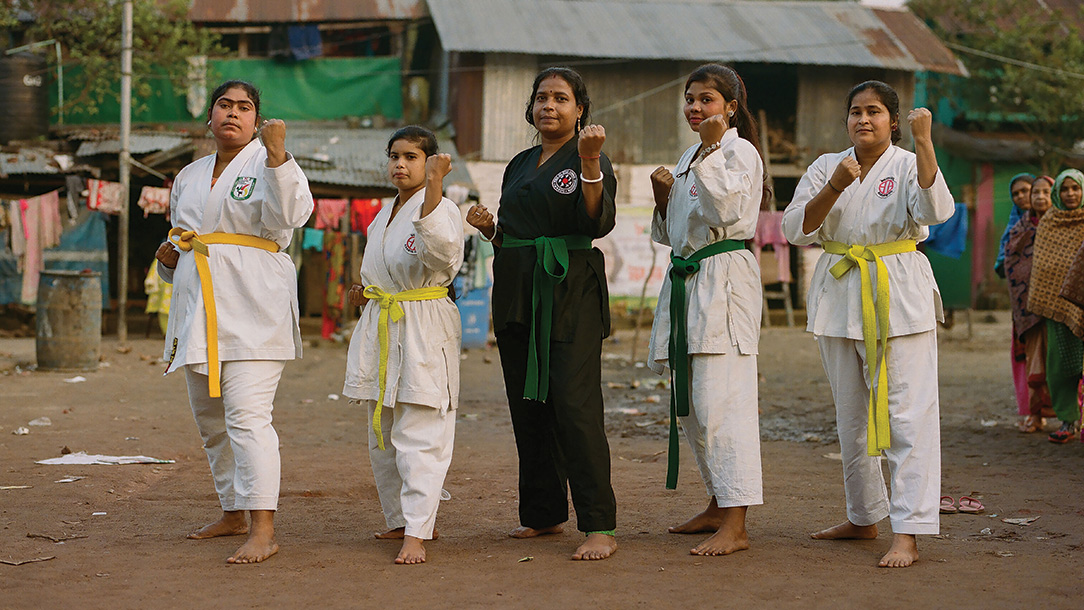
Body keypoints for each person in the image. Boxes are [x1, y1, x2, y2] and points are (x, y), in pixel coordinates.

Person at [781, 80, 954, 568]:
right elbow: (796, 230)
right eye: (855, 111)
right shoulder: (826, 166)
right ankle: (864, 516)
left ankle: (910, 530)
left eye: (874, 111)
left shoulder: (905, 163)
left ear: (893, 121)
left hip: (897, 293)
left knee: (906, 415)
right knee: (852, 418)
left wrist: (924, 142)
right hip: (839, 295)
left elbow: (936, 211)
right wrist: (836, 183)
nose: (863, 120)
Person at [155, 80, 314, 564]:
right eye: (225, 105)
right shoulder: (189, 174)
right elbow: (183, 244)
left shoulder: (269, 163)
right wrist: (167, 259)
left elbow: (295, 214)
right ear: (210, 116)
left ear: (256, 119)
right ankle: (232, 511)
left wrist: (278, 154)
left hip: (254, 309)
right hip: (198, 309)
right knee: (211, 422)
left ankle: (263, 528)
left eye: (245, 107)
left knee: (247, 418)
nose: (233, 113)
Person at [464, 67, 618, 561]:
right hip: (516, 291)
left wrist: (590, 163)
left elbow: (596, 219)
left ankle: (599, 525)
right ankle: (544, 513)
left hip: (570, 289)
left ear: (579, 109)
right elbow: (512, 232)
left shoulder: (588, 157)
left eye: (561, 98)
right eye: (542, 98)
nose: (549, 105)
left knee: (574, 408)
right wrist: (491, 230)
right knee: (528, 405)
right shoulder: (520, 163)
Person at [645, 64, 766, 556]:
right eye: (690, 99)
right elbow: (670, 233)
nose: (695, 108)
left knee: (723, 402)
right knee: (692, 405)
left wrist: (714, 153)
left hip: (725, 279)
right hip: (687, 279)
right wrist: (663, 197)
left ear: (731, 107)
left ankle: (736, 522)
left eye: (707, 100)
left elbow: (727, 213)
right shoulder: (687, 155)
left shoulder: (740, 152)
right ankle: (718, 502)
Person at [342, 126, 464, 565]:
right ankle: (399, 518)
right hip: (385, 324)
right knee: (383, 432)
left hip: (424, 326)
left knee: (420, 429)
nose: (400, 164)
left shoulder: (443, 208)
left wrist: (435, 186)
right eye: (394, 156)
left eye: (411, 156)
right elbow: (382, 269)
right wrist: (365, 290)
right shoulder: (383, 214)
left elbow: (443, 258)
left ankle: (418, 530)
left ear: (429, 162)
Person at [1027, 169, 1084, 443]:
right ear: (1057, 193)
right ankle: (1067, 420)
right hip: (1058, 310)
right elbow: (1043, 270)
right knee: (1061, 366)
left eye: (1076, 188)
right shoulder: (1049, 223)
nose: (1070, 194)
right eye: (1065, 189)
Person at [1004, 176, 1054, 433]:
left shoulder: (1067, 226)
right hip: (1030, 309)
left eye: (1046, 192)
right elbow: (1011, 264)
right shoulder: (1019, 229)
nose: (1038, 198)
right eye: (1035, 193)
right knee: (1035, 366)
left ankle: (1073, 418)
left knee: (1068, 366)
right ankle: (1035, 415)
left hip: (1062, 311)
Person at [998, 174, 1035, 423]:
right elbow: (1004, 262)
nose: (1022, 196)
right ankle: (1033, 411)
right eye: (1016, 193)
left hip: (1054, 304)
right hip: (1022, 306)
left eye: (1026, 190)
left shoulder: (1052, 222)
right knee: (1026, 356)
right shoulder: (1014, 227)